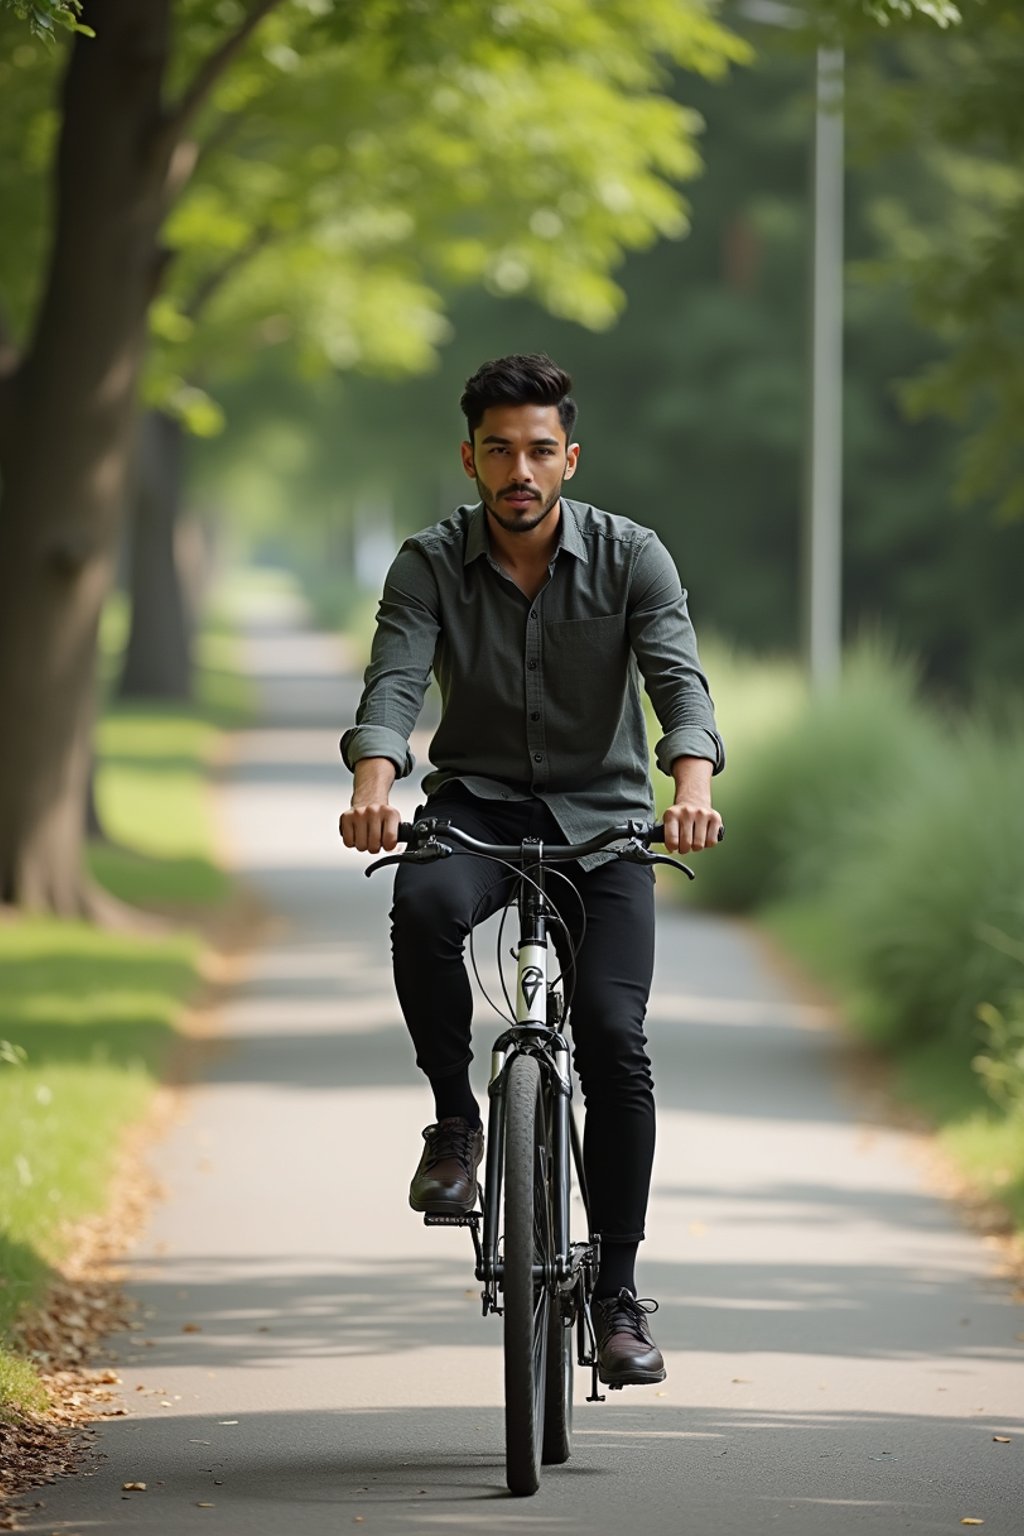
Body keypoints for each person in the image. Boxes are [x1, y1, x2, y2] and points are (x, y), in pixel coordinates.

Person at [339, 353, 724, 1386]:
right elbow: (393, 683)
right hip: (474, 807)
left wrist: (688, 792)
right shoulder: (427, 563)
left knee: (613, 1039)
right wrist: (377, 784)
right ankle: (457, 1125)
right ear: (469, 458)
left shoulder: (631, 556)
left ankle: (619, 1300)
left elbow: (679, 686)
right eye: (499, 449)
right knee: (420, 904)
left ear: (569, 458)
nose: (520, 468)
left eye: (540, 450)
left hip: (603, 829)